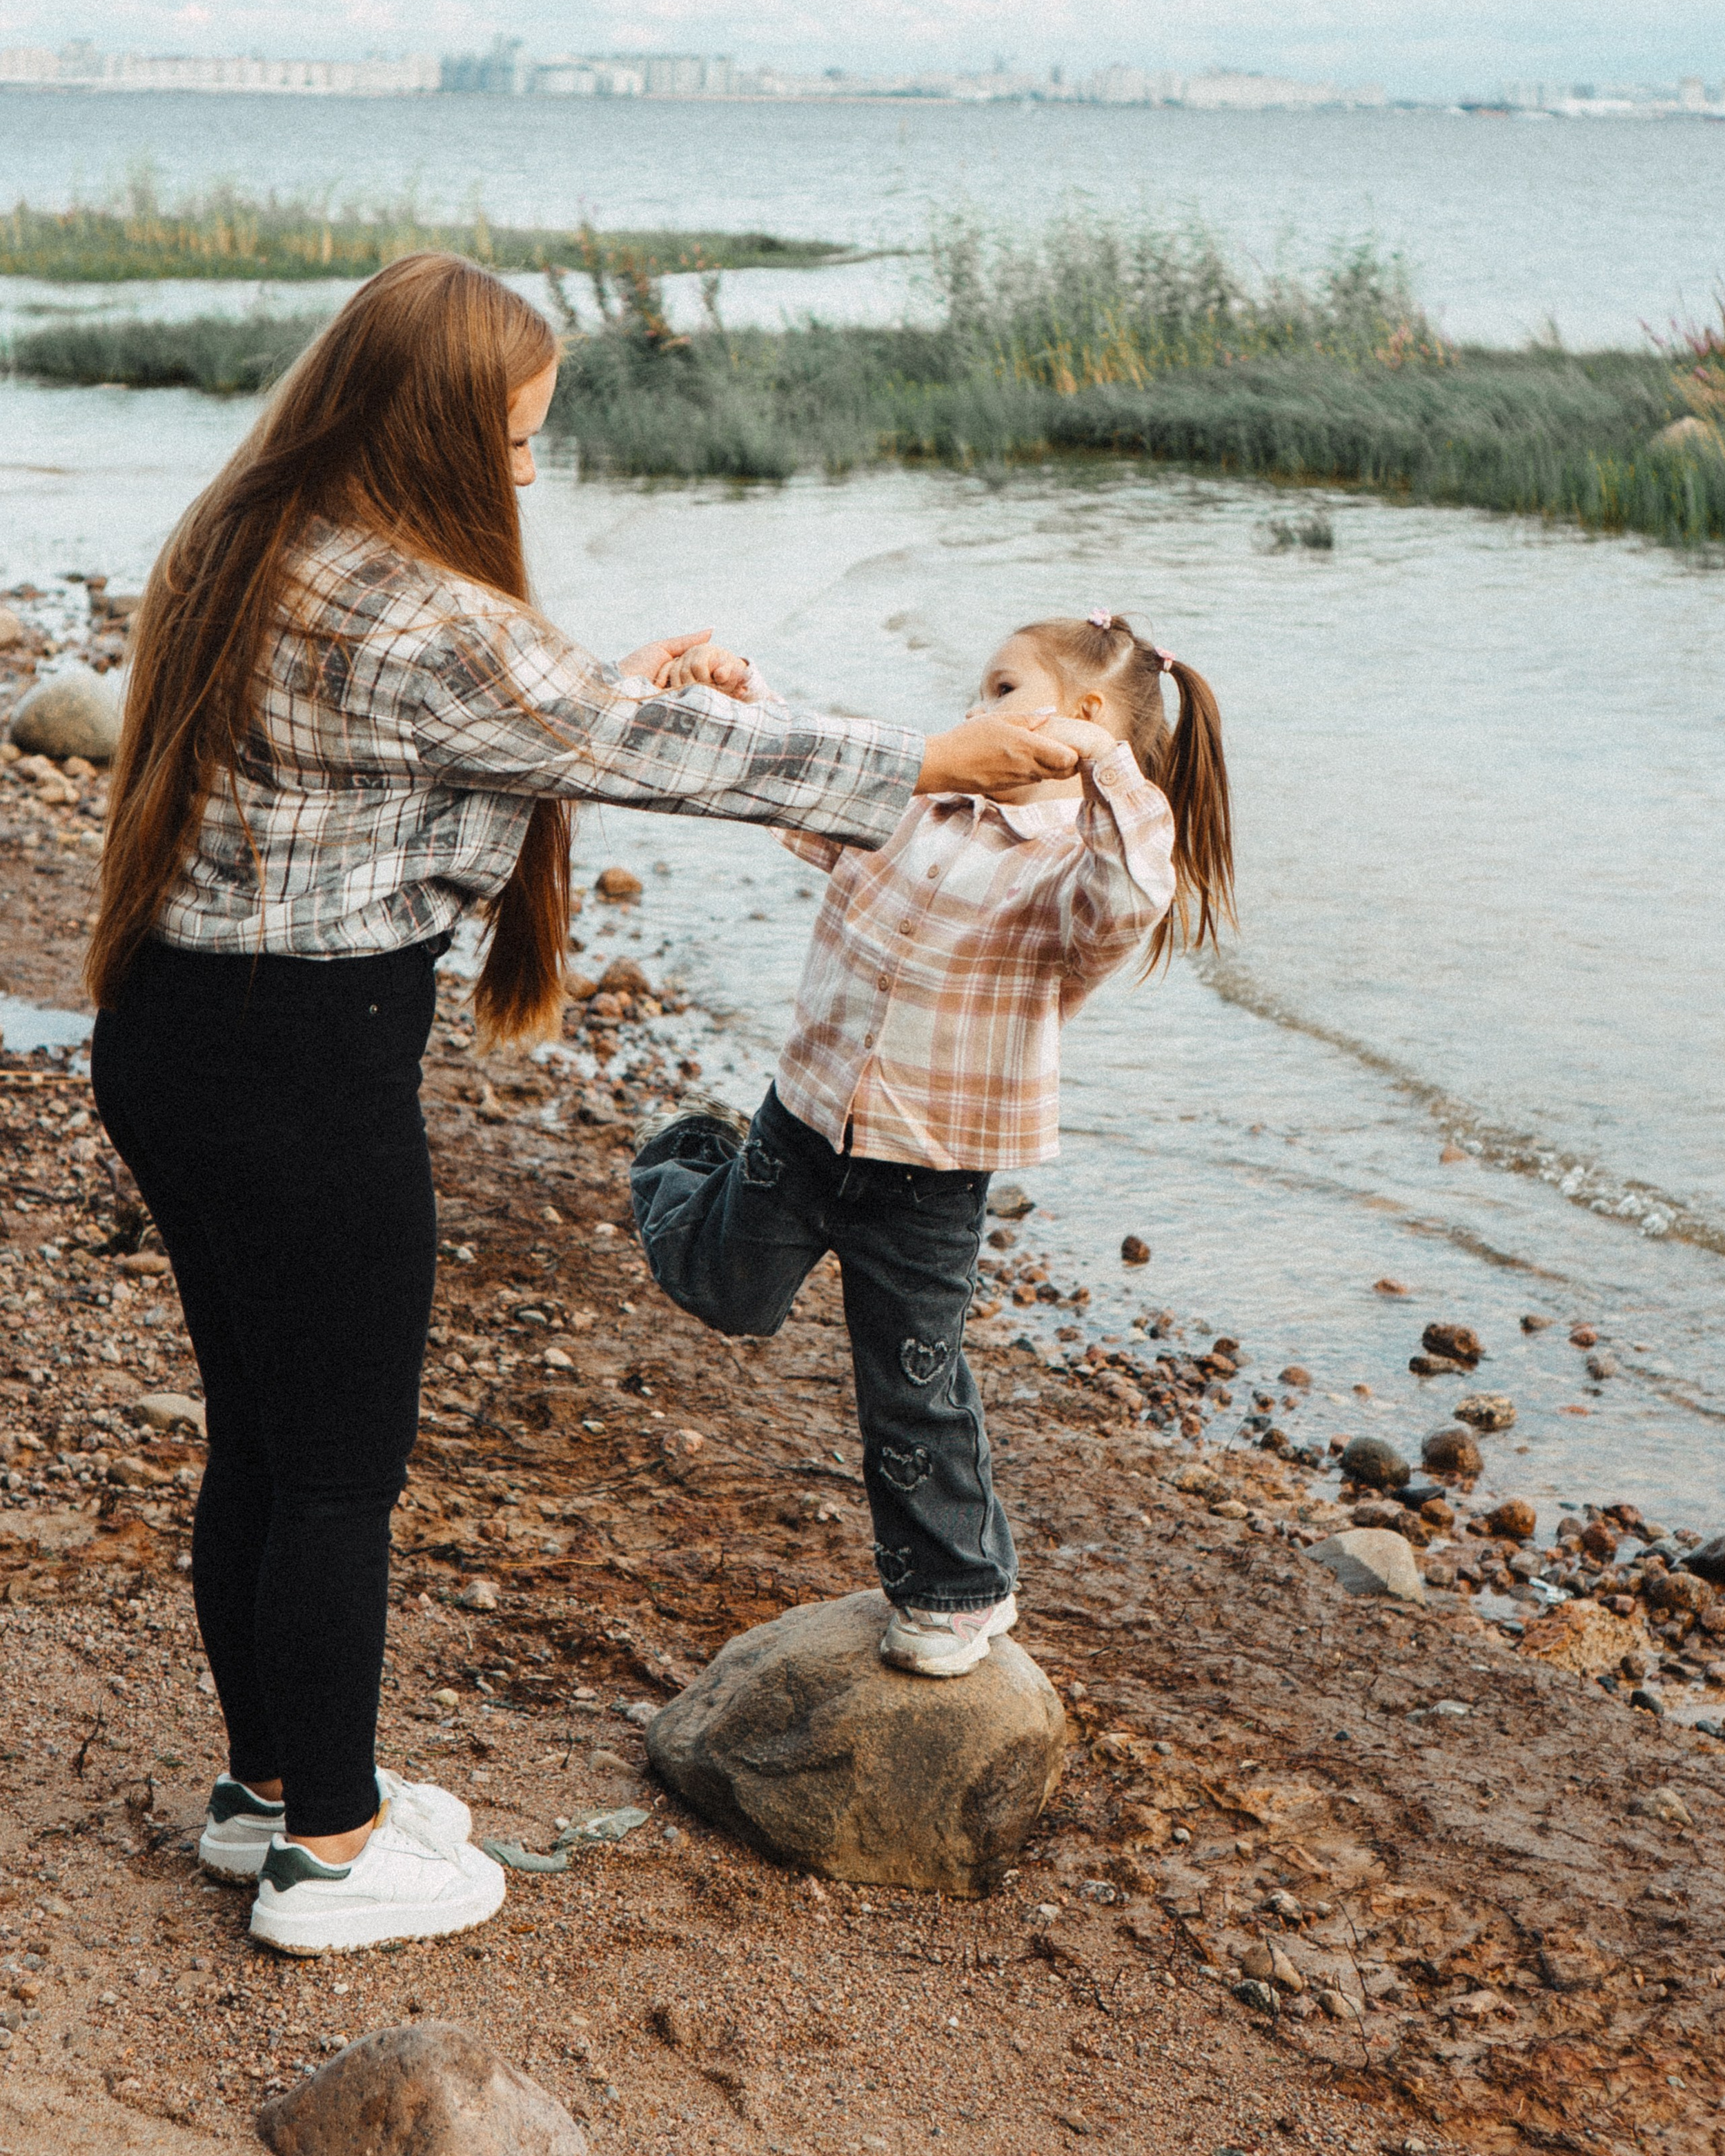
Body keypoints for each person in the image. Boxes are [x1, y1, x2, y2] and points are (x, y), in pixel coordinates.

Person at [85, 253, 1078, 1956]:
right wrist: (933, 757)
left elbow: (480, 736)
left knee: (263, 1436)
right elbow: (626, 746)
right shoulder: (414, 603)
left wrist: (613, 694)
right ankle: (329, 1847)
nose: (527, 475)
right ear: (428, 433)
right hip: (298, 1073)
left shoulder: (261, 529)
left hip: (184, 1039)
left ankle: (272, 1795)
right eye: (514, 443)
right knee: (334, 1467)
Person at [628, 609, 1234, 1674]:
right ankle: (686, 1156)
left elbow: (1137, 891)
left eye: (1003, 691)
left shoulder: (1074, 877)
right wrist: (738, 691)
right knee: (725, 1292)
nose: (974, 709)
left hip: (932, 1173)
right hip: (802, 1122)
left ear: (1083, 718)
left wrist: (1109, 772)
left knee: (914, 1379)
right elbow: (806, 782)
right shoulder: (918, 806)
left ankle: (956, 1591)